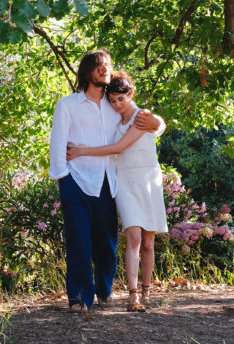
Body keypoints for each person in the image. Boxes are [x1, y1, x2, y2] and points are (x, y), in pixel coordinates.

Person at [49, 50, 161, 312]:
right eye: (98, 65)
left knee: (107, 244)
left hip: (108, 182)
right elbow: (57, 146)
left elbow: (146, 121)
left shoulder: (115, 106)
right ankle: (79, 298)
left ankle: (104, 291)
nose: (104, 69)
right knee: (79, 242)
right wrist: (63, 179)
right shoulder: (67, 105)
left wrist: (158, 123)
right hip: (74, 180)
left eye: (107, 65)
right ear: (86, 72)